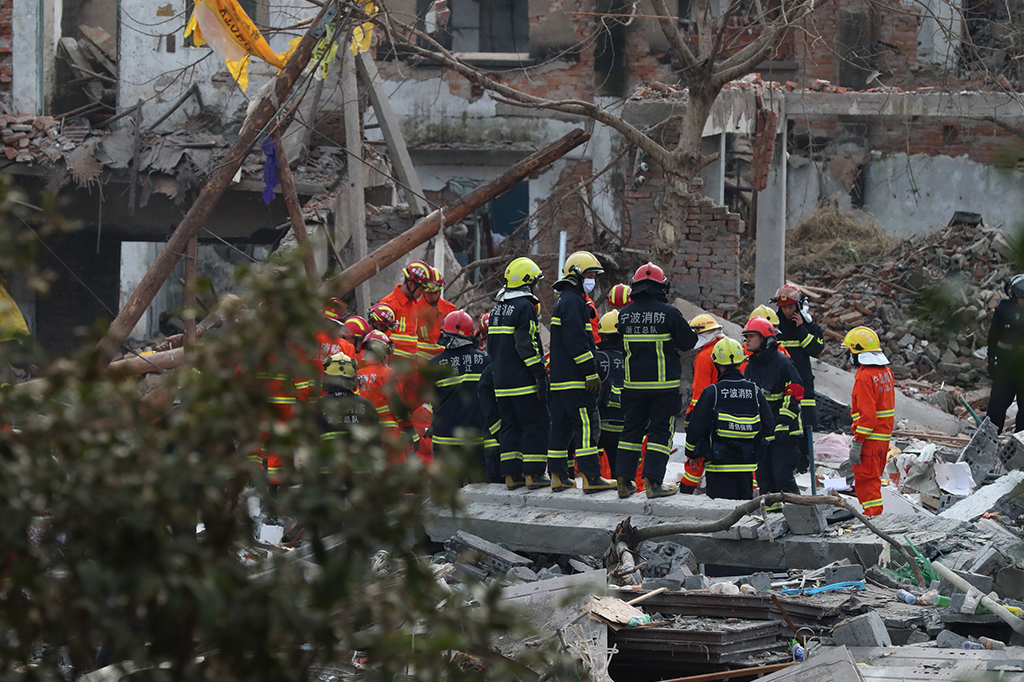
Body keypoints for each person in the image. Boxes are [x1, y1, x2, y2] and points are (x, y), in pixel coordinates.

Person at [615, 262, 698, 498]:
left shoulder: (625, 315)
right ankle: (653, 483)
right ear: (662, 287)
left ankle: (623, 482)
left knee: (630, 432)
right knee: (660, 433)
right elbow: (689, 342)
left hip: (632, 387)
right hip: (663, 388)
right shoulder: (669, 313)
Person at [548, 251, 615, 492]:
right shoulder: (574, 302)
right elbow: (577, 342)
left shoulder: (563, 300)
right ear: (576, 274)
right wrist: (590, 372)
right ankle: (591, 476)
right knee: (587, 426)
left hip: (560, 381)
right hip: (576, 380)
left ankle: (558, 476)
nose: (592, 281)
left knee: (561, 428)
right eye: (589, 275)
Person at [684, 338, 774, 500]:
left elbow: (696, 428)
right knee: (743, 510)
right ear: (741, 361)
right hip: (746, 466)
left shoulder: (712, 392)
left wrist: (692, 453)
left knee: (721, 512)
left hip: (718, 466)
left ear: (716, 363)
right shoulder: (755, 392)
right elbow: (768, 425)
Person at [488, 257, 549, 489]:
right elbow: (527, 345)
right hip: (523, 381)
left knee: (509, 426)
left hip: (501, 382)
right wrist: (539, 374)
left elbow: (491, 347)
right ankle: (534, 473)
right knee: (535, 424)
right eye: (534, 282)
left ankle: (511, 475)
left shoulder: (496, 310)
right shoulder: (524, 307)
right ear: (527, 282)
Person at [741, 317, 804, 510]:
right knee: (765, 480)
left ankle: (800, 516)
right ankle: (773, 517)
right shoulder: (751, 367)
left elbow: (795, 391)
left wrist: (784, 421)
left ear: (765, 339)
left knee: (782, 477)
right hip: (763, 434)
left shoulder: (782, 363)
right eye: (746, 337)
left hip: (784, 433)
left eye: (751, 336)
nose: (747, 340)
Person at [843, 327, 895, 517]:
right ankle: (874, 515)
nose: (849, 356)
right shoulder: (886, 373)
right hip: (883, 438)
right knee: (874, 478)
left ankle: (873, 517)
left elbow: (868, 416)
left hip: (870, 440)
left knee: (866, 480)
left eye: (850, 351)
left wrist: (858, 441)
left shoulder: (864, 377)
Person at [773, 284, 825, 474]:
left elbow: (816, 349)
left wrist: (801, 330)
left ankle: (803, 469)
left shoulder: (810, 327)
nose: (787, 311)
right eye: (784, 307)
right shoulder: (774, 327)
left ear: (799, 306)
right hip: (779, 386)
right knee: (783, 428)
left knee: (805, 429)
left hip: (803, 386)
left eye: (791, 307)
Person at [429, 310, 490, 468]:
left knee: (447, 484)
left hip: (445, 439)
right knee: (480, 483)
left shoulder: (435, 364)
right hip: (476, 438)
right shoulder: (484, 360)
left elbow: (430, 400)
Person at [357, 329, 419, 464]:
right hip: (387, 432)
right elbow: (398, 408)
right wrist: (410, 431)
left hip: (362, 431)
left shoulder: (357, 375)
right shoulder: (387, 375)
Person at [679, 314, 725, 493]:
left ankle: (686, 492)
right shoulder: (731, 349)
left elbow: (699, 393)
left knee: (696, 458)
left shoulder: (705, 357)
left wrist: (692, 418)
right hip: (729, 414)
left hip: (708, 415)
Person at [318, 352, 381, 459]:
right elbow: (376, 446)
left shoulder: (319, 407)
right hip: (360, 467)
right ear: (353, 377)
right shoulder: (367, 406)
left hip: (327, 468)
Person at [987, 274, 1024, 433]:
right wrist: (991, 359)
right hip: (1005, 364)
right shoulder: (1003, 311)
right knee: (997, 404)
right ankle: (989, 437)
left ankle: (1020, 442)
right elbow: (993, 337)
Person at [379, 260, 432, 362]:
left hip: (409, 364)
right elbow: (381, 339)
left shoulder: (413, 304)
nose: (421, 294)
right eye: (421, 290)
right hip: (392, 364)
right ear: (411, 284)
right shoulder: (389, 304)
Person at [595, 310, 625, 475]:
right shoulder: (632, 359)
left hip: (599, 426)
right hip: (625, 427)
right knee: (619, 472)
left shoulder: (598, 358)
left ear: (603, 336)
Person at [418, 266, 457, 361]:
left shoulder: (450, 309)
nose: (433, 296)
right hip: (421, 363)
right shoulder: (414, 310)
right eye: (429, 293)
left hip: (445, 361)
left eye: (435, 292)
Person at [477, 363, 502, 483]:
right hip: (495, 442)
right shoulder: (490, 372)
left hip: (501, 438)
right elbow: (489, 411)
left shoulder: (489, 371)